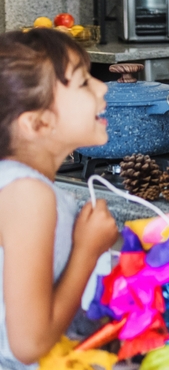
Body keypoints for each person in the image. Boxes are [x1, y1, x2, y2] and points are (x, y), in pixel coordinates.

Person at [0, 29, 119, 368]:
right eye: (83, 83)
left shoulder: (23, 186)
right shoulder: (28, 194)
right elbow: (29, 344)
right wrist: (88, 249)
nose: (102, 87)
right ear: (38, 123)